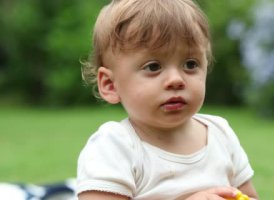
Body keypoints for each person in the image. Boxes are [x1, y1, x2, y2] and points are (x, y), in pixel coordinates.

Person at [76, 0, 259, 199]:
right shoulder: (115, 147)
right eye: (153, 67)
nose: (176, 80)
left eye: (190, 64)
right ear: (111, 85)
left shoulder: (221, 134)